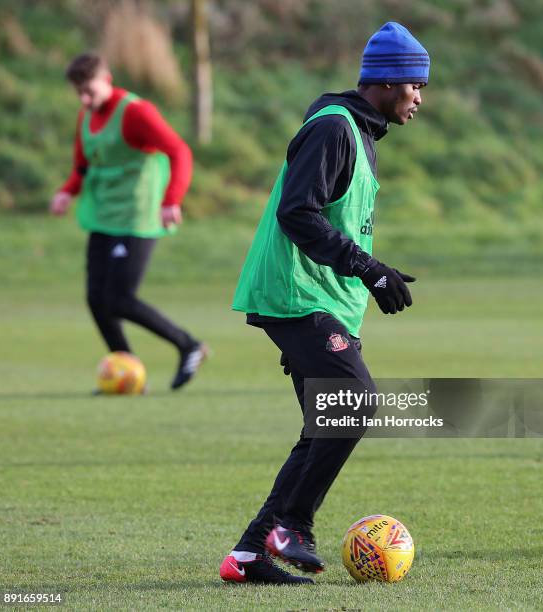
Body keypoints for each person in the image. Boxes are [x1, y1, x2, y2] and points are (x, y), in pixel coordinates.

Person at [219, 22, 430, 584]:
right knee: (355, 404)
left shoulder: (359, 132)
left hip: (321, 300)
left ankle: (248, 556)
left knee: (326, 422)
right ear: (388, 82)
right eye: (417, 86)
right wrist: (369, 269)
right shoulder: (335, 129)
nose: (420, 99)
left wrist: (369, 275)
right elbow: (297, 212)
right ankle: (292, 527)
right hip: (295, 296)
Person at [50, 53, 206, 391]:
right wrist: (66, 192)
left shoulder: (136, 113)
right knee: (96, 299)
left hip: (138, 216)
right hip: (103, 216)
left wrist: (171, 200)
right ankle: (127, 373)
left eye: (89, 91)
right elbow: (83, 166)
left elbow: (179, 151)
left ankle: (188, 345)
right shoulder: (86, 116)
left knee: (119, 298)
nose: (84, 99)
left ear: (106, 79)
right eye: (78, 92)